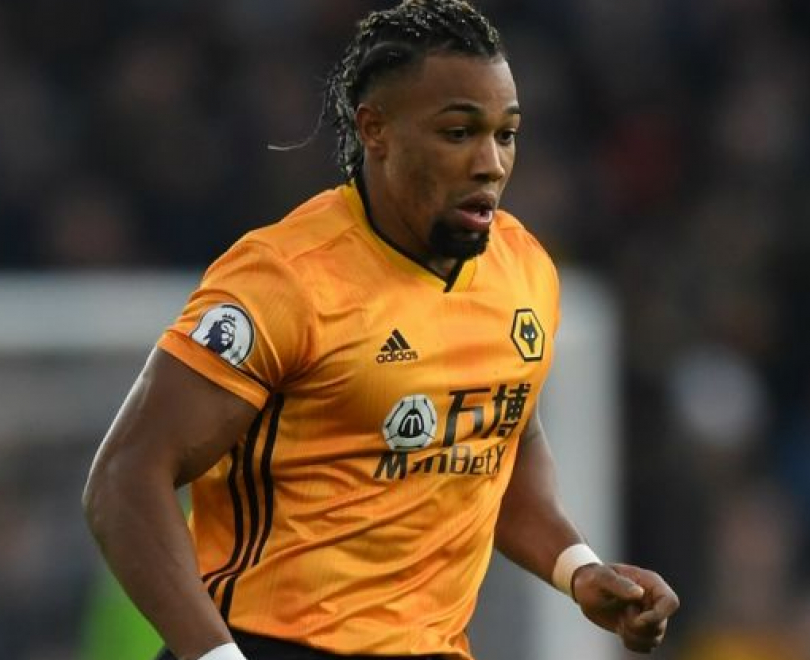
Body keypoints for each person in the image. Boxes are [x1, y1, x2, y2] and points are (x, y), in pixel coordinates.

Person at [82, 1, 680, 659]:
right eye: (458, 132)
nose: (490, 163)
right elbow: (124, 477)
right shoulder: (285, 280)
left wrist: (578, 568)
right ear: (376, 130)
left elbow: (501, 436)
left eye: (505, 134)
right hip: (271, 644)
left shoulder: (524, 271)